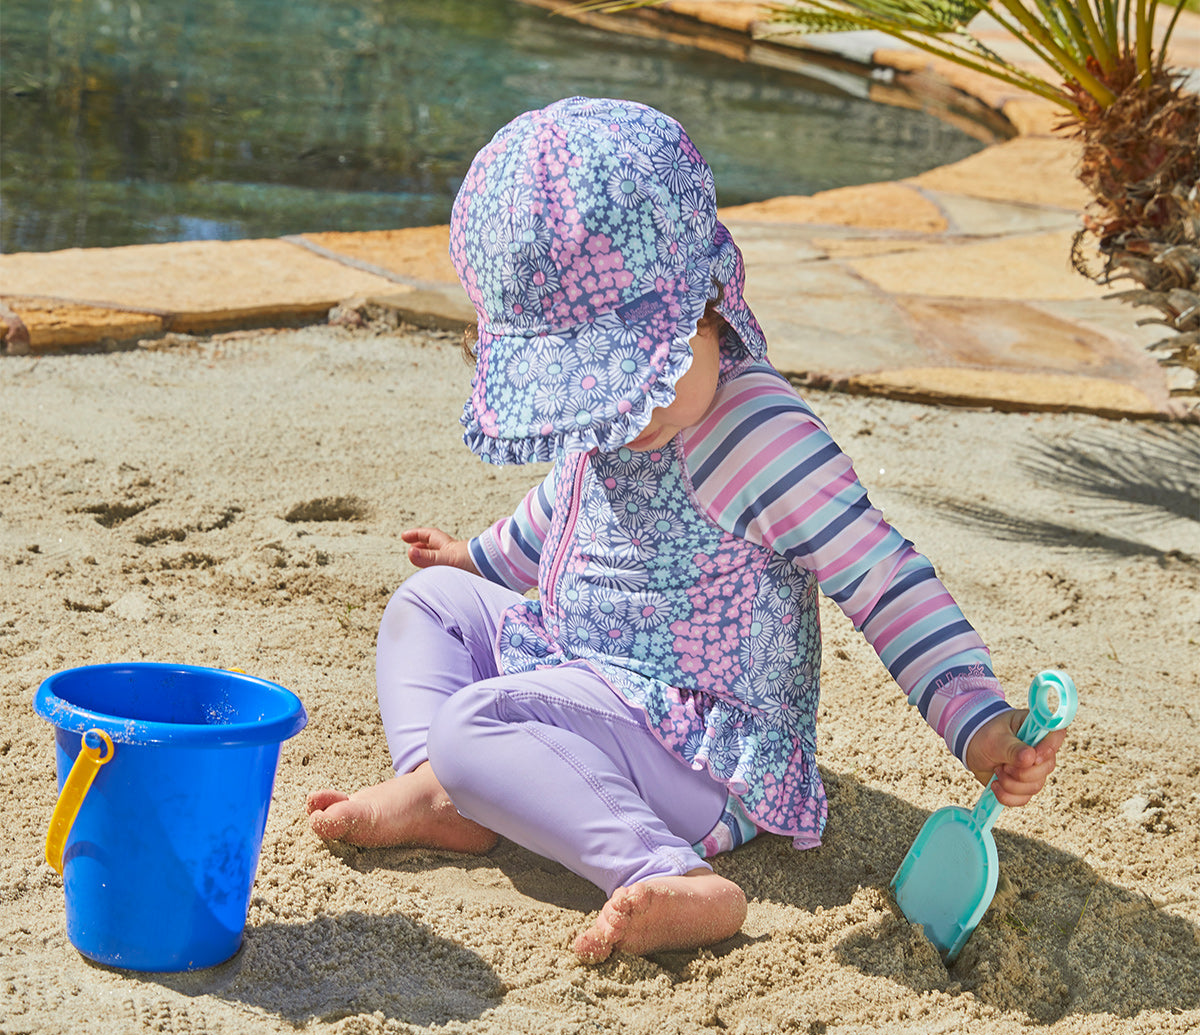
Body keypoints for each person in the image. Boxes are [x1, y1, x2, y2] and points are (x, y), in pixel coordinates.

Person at [307, 97, 1066, 964]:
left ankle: (667, 872)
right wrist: (474, 558)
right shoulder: (619, 416)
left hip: (703, 753)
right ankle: (440, 794)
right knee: (429, 603)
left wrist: (976, 719)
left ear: (706, 304)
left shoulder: (761, 439)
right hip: (592, 677)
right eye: (595, 392)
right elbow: (563, 511)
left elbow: (884, 579)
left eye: (646, 379)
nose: (626, 418)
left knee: (475, 722)